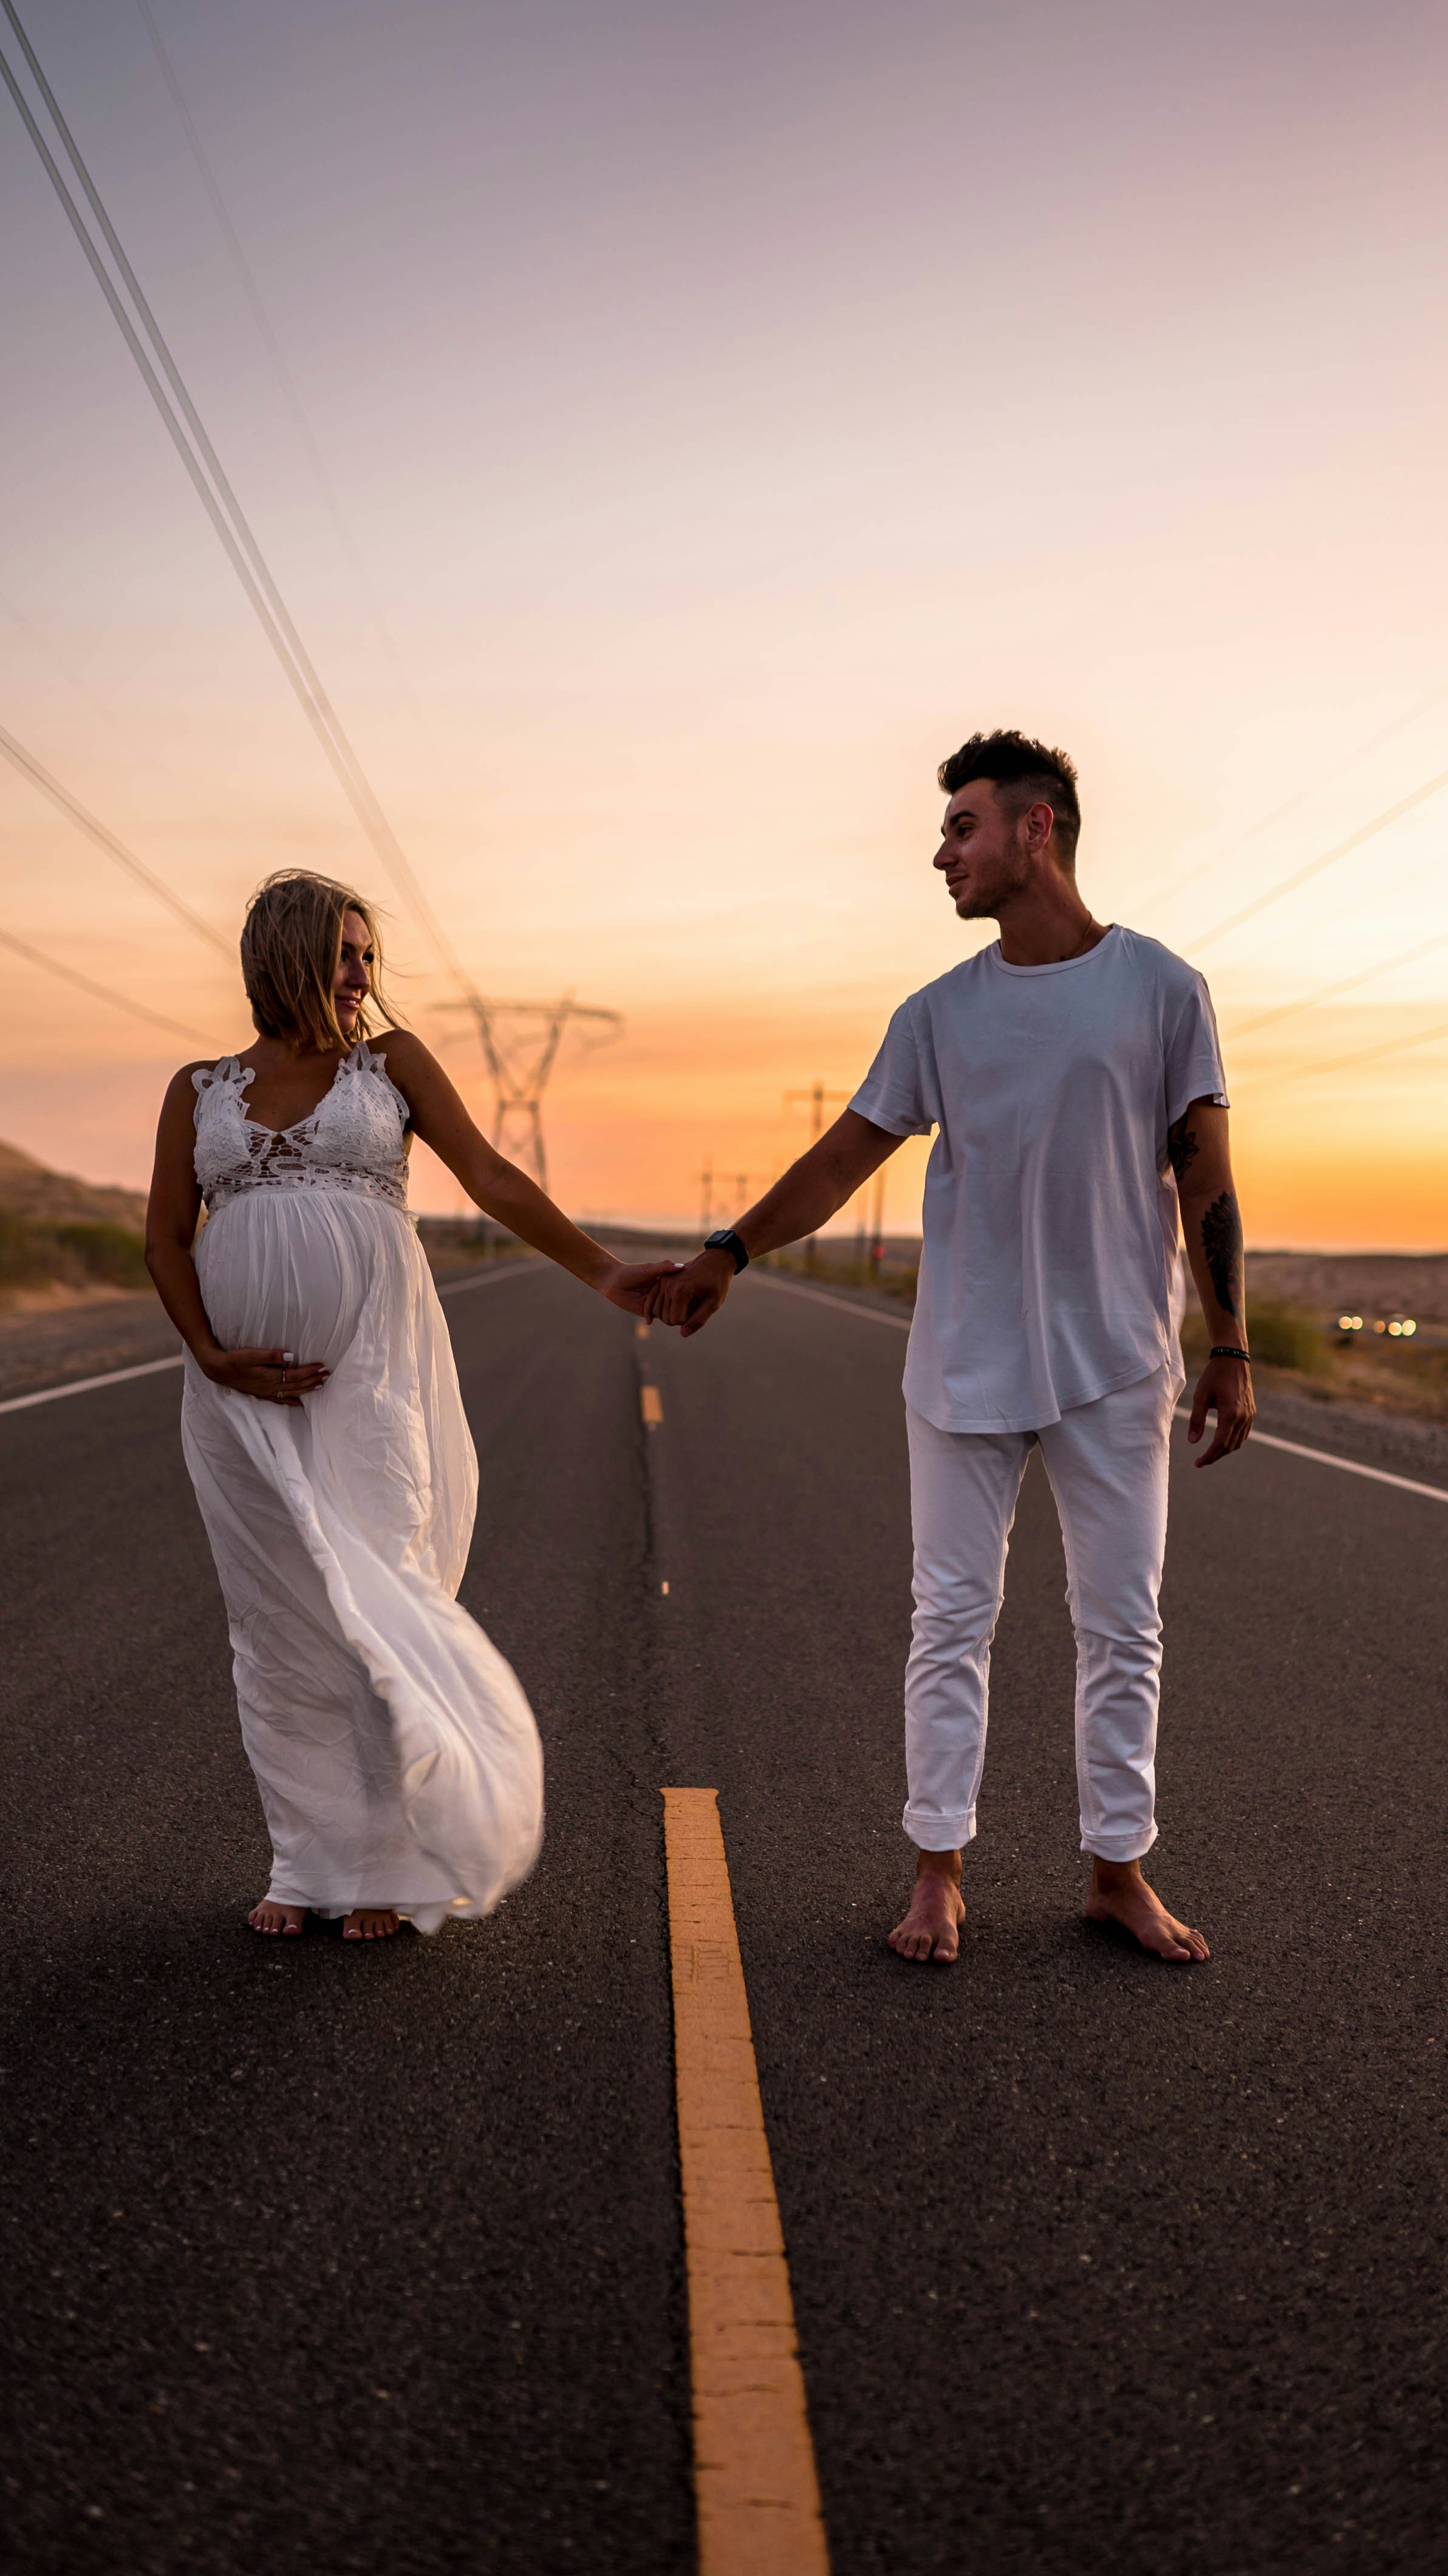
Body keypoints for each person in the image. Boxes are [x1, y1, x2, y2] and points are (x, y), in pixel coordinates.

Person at [652, 731, 1254, 1965]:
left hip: (1116, 1364)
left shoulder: (1160, 988)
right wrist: (728, 1248)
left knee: (1121, 1625)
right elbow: (839, 1159)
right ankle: (937, 1872)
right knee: (950, 1620)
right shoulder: (937, 1012)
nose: (942, 855)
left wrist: (1231, 1343)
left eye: (962, 827)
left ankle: (1116, 1870)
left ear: (1038, 827)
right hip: (963, 1364)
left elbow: (1205, 1177)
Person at [146, 871, 672, 1941]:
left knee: (379, 1598)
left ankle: (387, 1861)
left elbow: (490, 1176)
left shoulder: (389, 1065)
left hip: (370, 1382)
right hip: (238, 1396)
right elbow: (165, 1236)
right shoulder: (198, 1087)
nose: (360, 976)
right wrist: (207, 1353)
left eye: (367, 957)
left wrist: (605, 1274)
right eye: (343, 954)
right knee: (275, 1624)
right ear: (284, 957)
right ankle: (304, 1863)